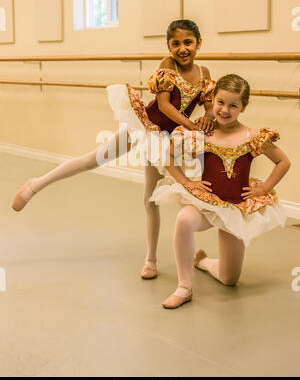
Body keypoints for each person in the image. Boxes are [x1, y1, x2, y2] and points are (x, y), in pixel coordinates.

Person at [11, 19, 216, 280]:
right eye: (176, 44)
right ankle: (35, 184)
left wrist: (208, 116)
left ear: (199, 43)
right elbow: (164, 106)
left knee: (151, 196)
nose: (182, 49)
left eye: (188, 42)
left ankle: (151, 258)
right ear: (168, 46)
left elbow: (208, 104)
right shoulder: (167, 65)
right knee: (93, 160)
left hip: (167, 139)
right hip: (145, 126)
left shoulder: (204, 72)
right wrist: (191, 125)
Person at [150, 74, 291, 308]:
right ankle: (184, 287)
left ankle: (204, 262)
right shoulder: (201, 132)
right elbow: (170, 158)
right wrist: (186, 182)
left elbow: (283, 162)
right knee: (184, 219)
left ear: (243, 107)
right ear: (213, 100)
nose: (225, 110)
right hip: (208, 203)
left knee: (229, 279)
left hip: (236, 208)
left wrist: (265, 187)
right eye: (220, 102)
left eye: (233, 105)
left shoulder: (252, 136)